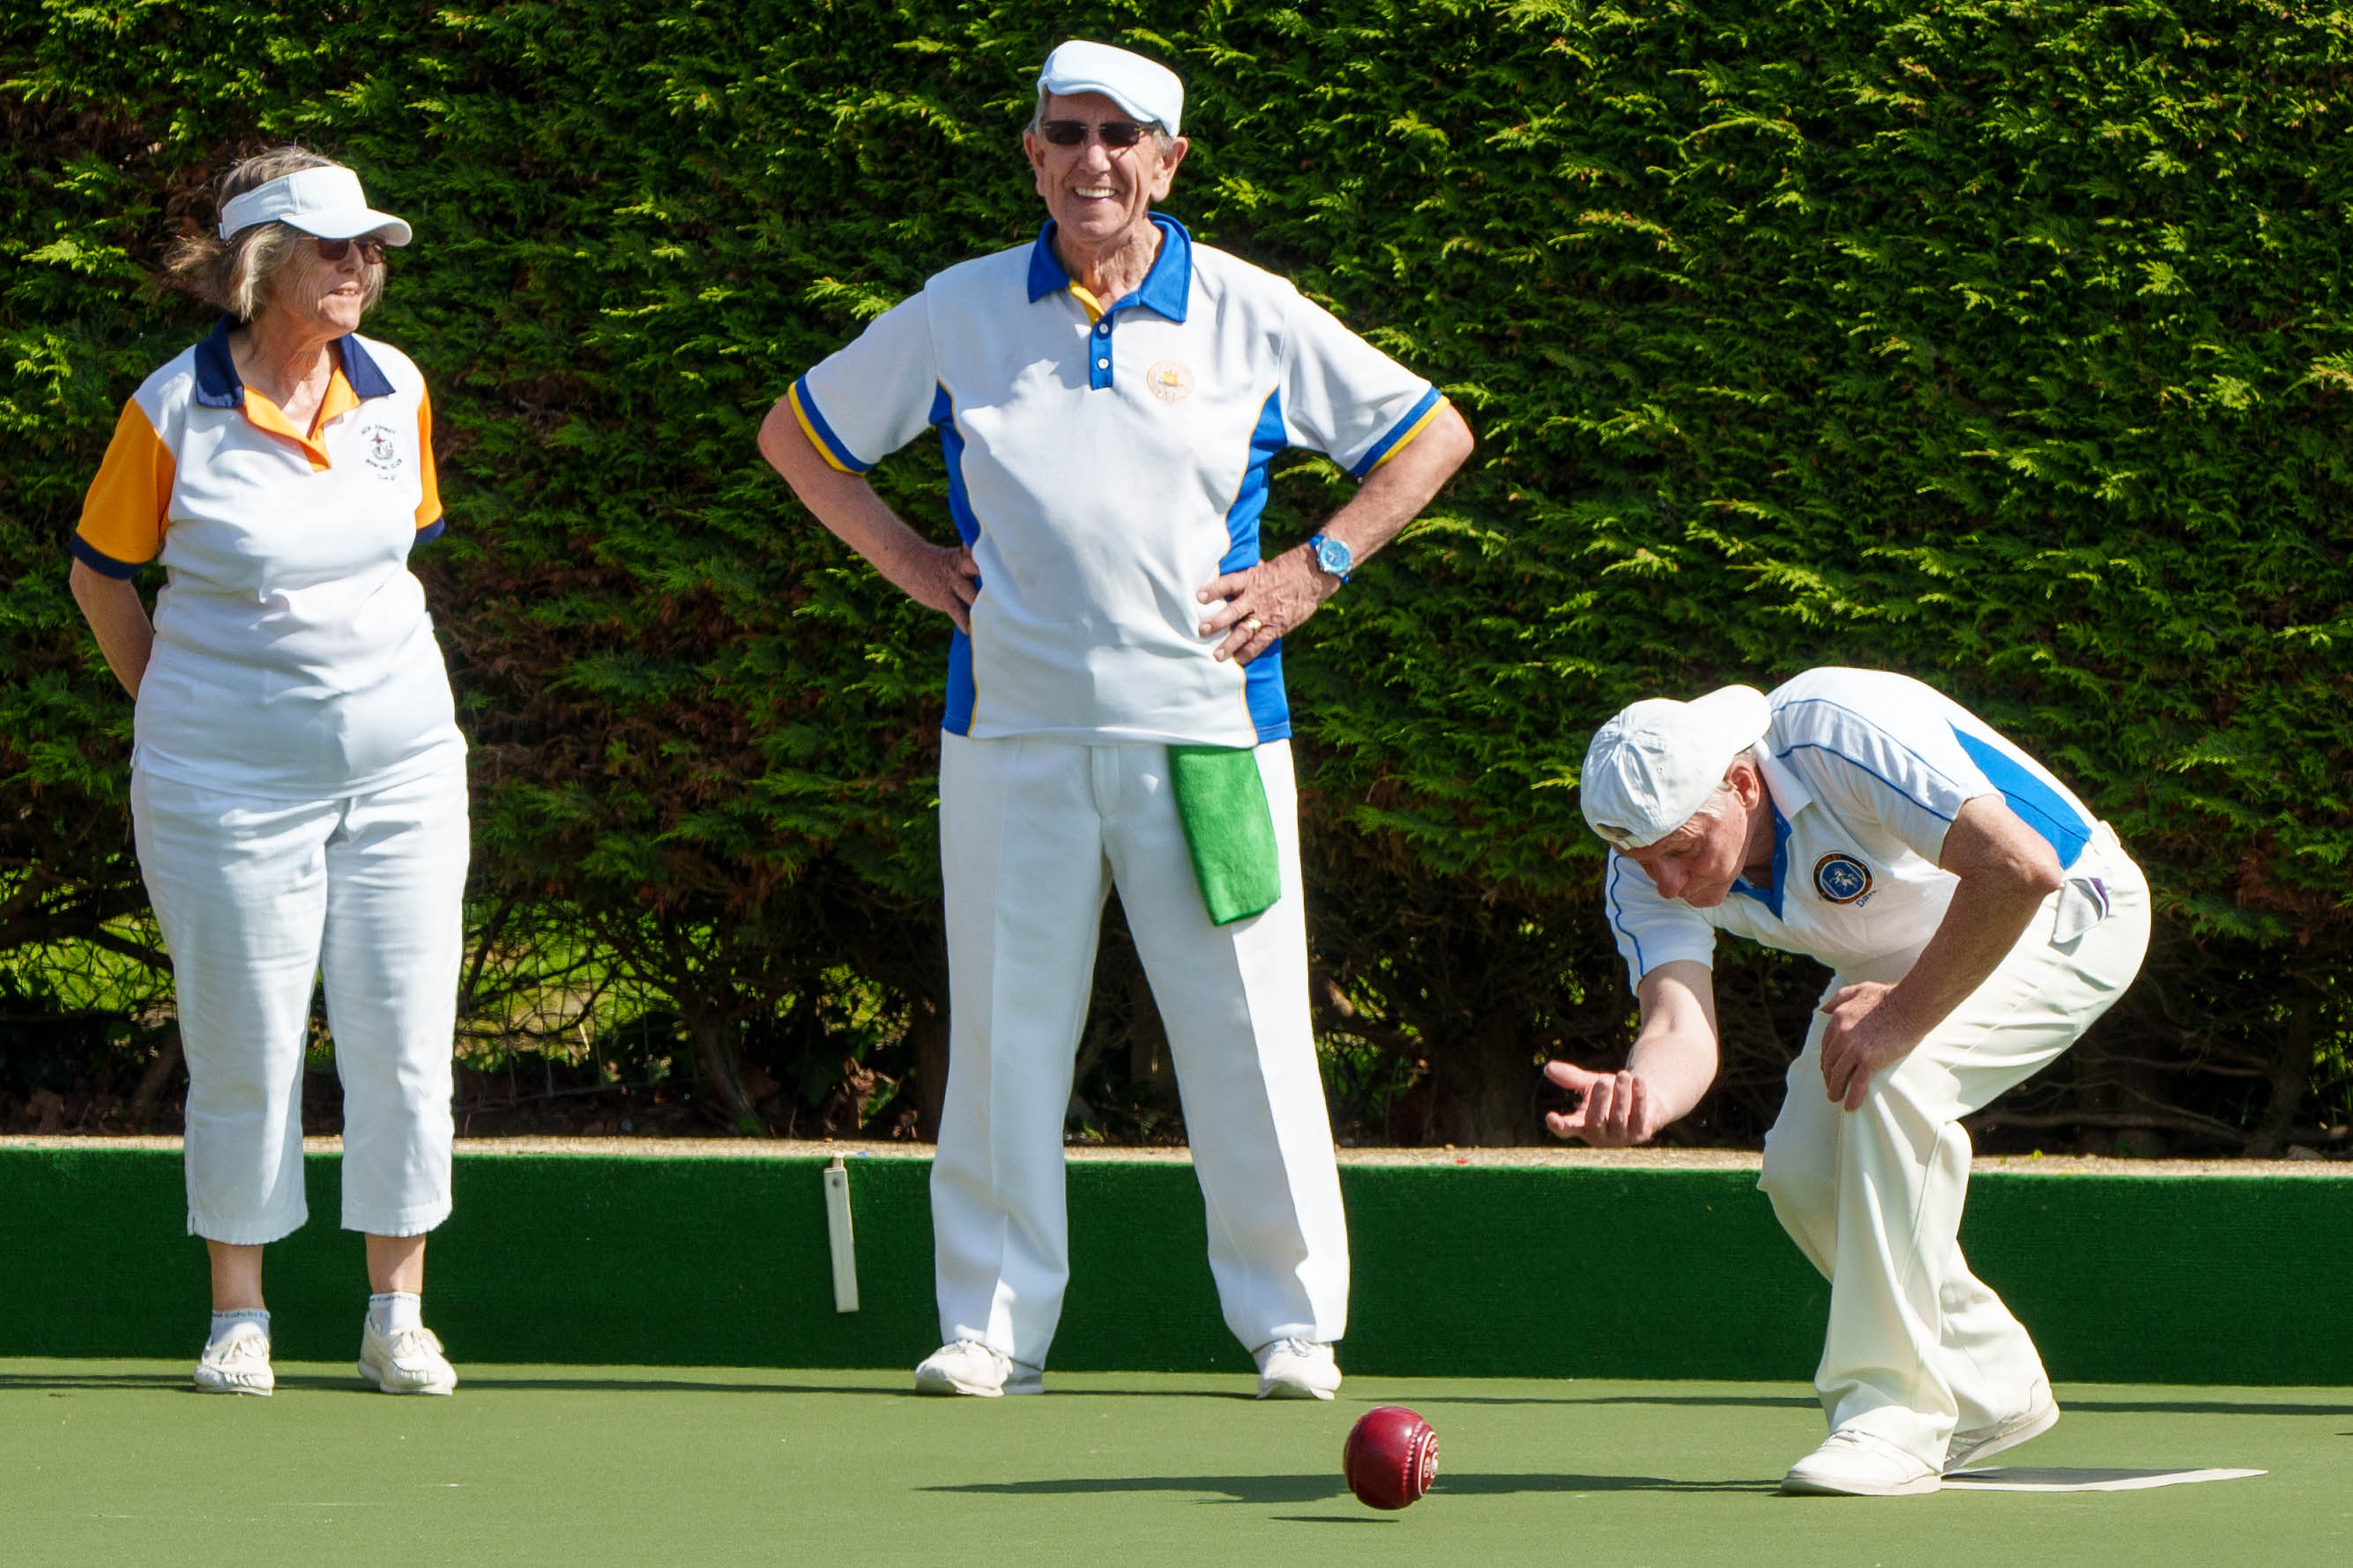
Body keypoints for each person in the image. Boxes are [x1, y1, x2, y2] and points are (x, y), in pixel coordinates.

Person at [759, 40, 1473, 1399]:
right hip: (1012, 736)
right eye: (1065, 133)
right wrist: (915, 565)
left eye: (1120, 136)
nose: (1092, 159)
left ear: (1168, 160)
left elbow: (1428, 434)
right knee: (1003, 1028)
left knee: (1250, 1027)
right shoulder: (957, 311)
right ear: (1032, 154)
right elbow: (800, 436)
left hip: (1213, 738)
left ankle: (1293, 1323)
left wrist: (1316, 569)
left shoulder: (1255, 311)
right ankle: (991, 1327)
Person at [67, 146, 469, 1398]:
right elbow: (101, 576)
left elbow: (402, 556)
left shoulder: (394, 388)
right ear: (261, 265)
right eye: (334, 246)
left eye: (371, 247)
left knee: (407, 1040)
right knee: (244, 1046)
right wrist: (186, 713)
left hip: (405, 768)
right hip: (220, 786)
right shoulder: (170, 408)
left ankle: (395, 1311)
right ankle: (237, 1312)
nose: (364, 265)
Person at [1552, 667, 2149, 1494]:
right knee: (1803, 1171)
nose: (1667, 885)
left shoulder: (1834, 731)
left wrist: (1900, 1017)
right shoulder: (1647, 869)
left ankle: (1890, 1411)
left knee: (1891, 1071)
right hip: (1913, 950)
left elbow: (2020, 868)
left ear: (1740, 781)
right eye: (1638, 859)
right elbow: (1677, 1025)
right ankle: (1987, 1384)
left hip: (2072, 905)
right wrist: (1643, 1094)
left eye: (1682, 853)